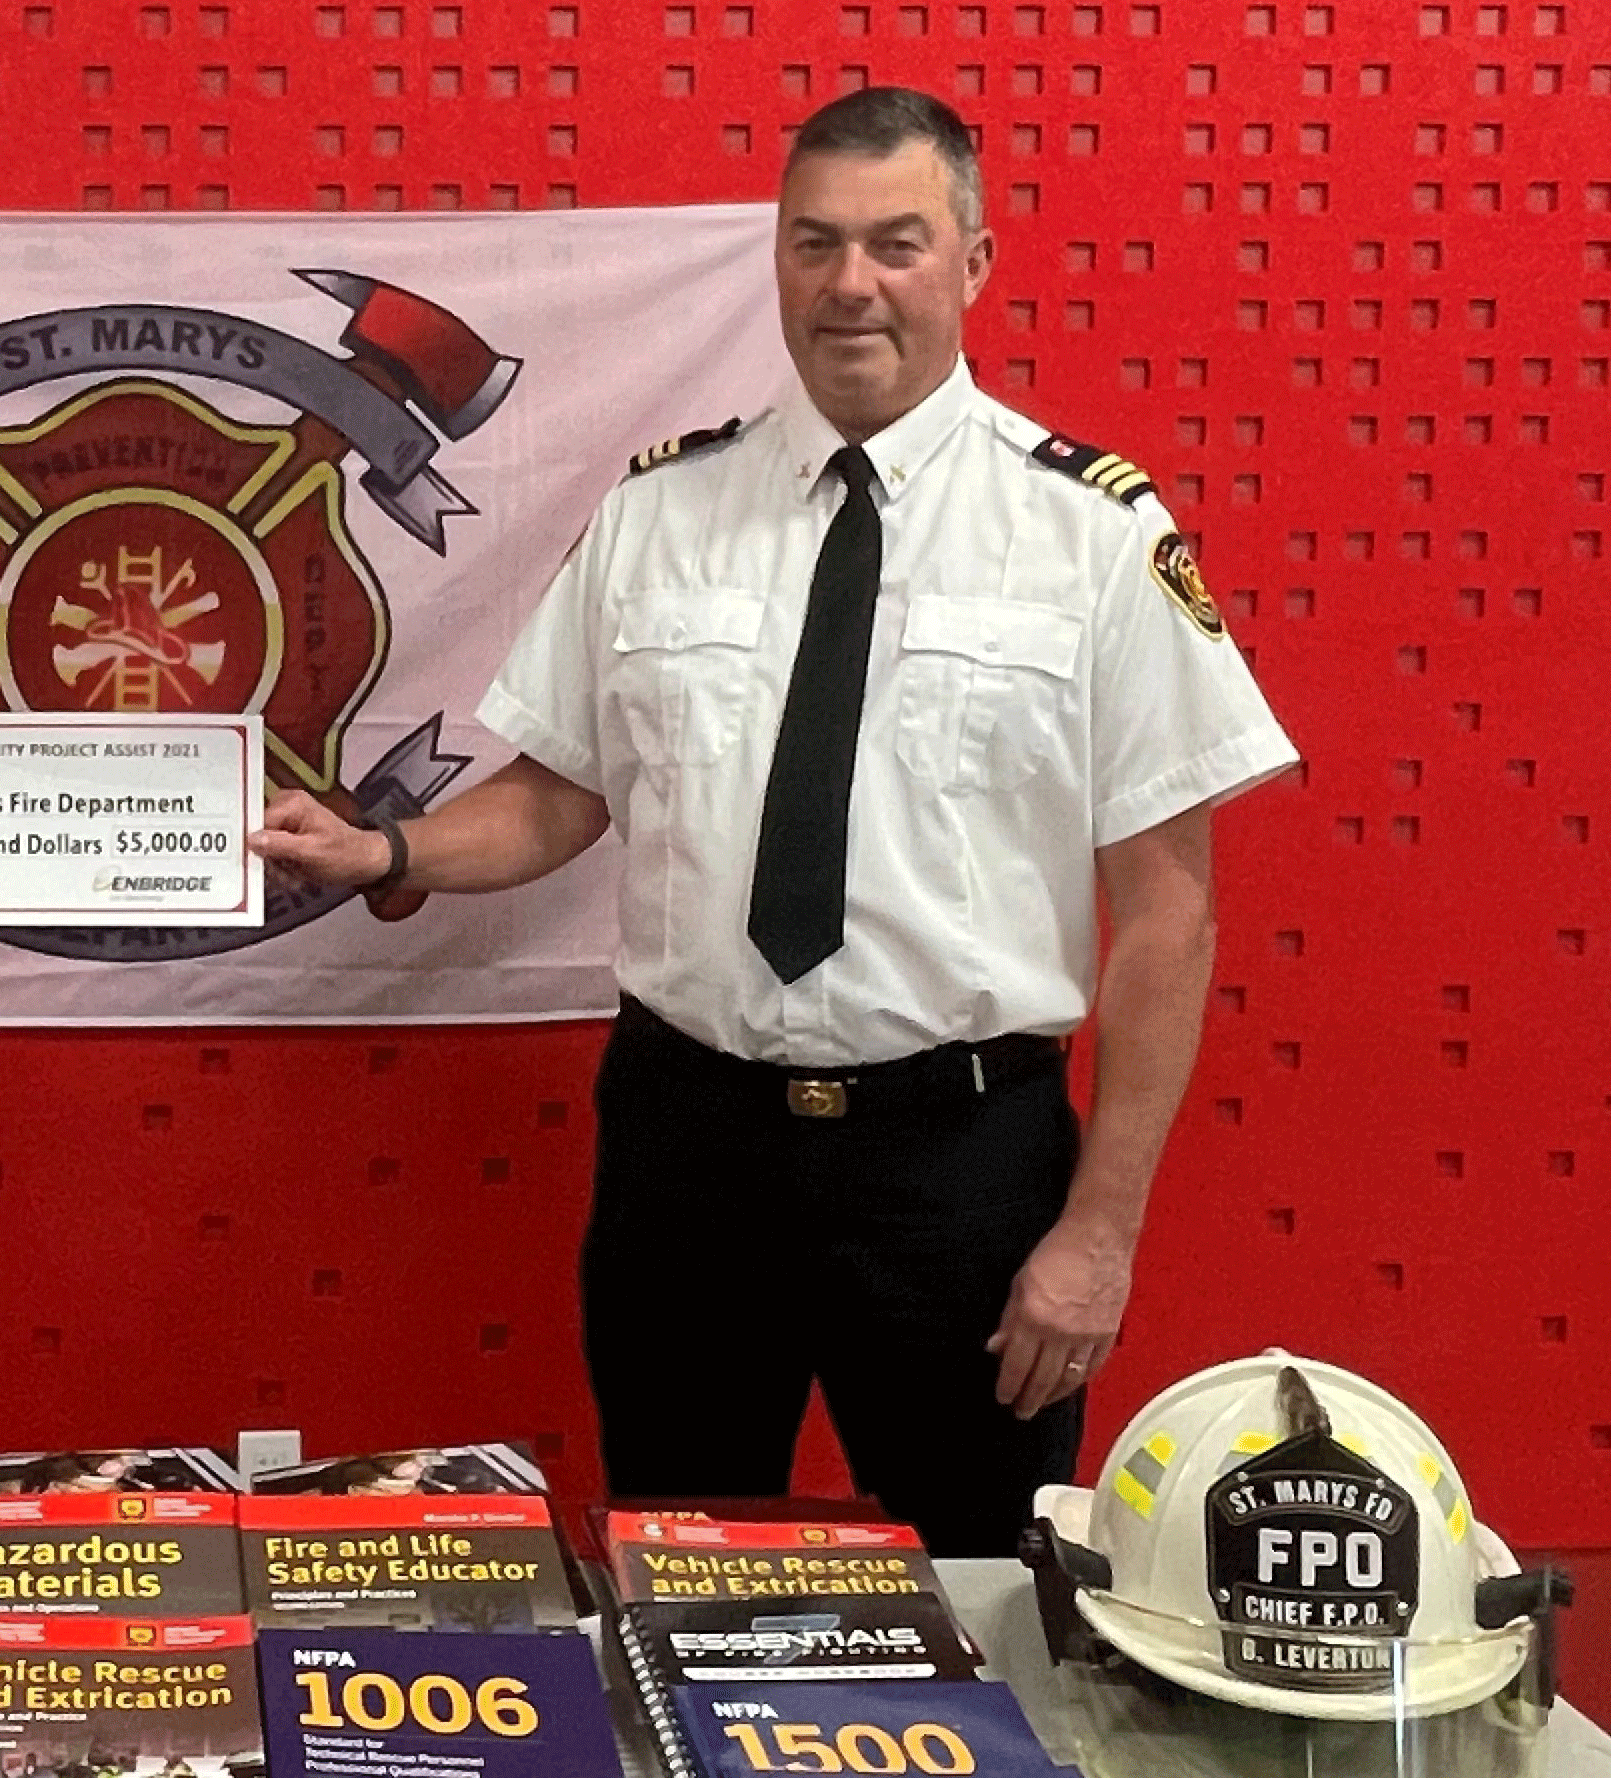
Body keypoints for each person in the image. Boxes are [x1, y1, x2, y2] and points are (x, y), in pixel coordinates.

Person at [251, 88, 1296, 1556]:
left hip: (960, 1164)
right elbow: (563, 791)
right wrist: (391, 850)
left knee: (984, 1597)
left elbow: (1170, 913)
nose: (850, 284)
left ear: (977, 261)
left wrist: (1098, 1232)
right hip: (692, 1151)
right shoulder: (660, 514)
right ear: (779, 261)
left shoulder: (1095, 538)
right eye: (815, 245)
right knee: (676, 1568)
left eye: (895, 244)